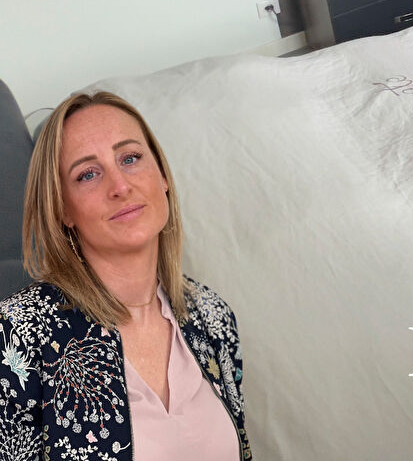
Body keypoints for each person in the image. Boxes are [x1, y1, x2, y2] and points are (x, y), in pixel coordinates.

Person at [0, 91, 249, 460]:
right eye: (87, 174)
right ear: (63, 208)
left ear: (162, 176)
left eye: (130, 158)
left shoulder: (213, 316)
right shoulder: (16, 334)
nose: (119, 186)